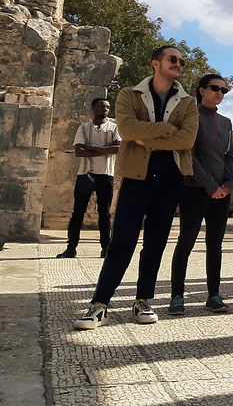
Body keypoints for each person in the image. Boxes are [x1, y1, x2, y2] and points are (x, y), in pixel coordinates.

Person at [73, 45, 199, 330]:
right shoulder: (130, 95)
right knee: (122, 241)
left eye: (181, 60)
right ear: (156, 63)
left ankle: (143, 300)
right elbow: (128, 130)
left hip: (171, 178)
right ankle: (99, 303)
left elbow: (187, 140)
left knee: (156, 243)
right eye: (173, 59)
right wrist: (168, 130)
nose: (179, 63)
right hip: (137, 177)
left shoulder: (187, 102)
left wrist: (149, 137)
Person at [168, 74, 233, 315]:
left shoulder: (226, 122)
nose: (220, 93)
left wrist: (229, 183)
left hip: (221, 192)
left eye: (224, 90)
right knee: (186, 241)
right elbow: (190, 155)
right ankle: (177, 295)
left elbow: (230, 155)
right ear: (201, 90)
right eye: (215, 88)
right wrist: (210, 186)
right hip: (194, 188)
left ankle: (214, 294)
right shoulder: (191, 117)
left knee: (215, 245)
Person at [57, 98, 120, 259]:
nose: (105, 108)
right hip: (85, 173)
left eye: (107, 106)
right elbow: (79, 151)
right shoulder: (84, 128)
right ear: (94, 108)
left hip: (105, 174)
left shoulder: (114, 127)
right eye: (102, 106)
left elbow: (117, 149)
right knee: (78, 212)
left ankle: (106, 248)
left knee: (104, 214)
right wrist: (104, 150)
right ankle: (71, 247)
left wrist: (91, 147)